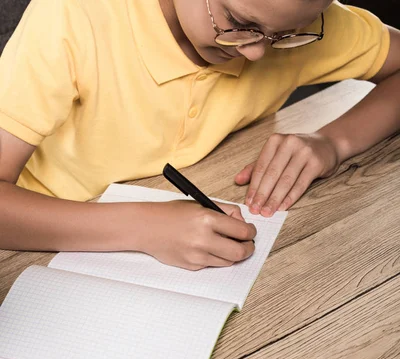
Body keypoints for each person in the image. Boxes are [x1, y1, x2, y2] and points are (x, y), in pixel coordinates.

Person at [0, 0, 399, 270]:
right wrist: (143, 227)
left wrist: (335, 141)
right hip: (34, 248)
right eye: (240, 24)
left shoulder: (289, 15)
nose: (256, 53)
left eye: (287, 36)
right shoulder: (74, 16)